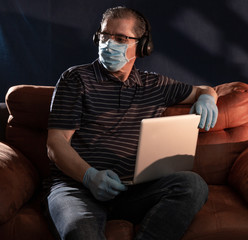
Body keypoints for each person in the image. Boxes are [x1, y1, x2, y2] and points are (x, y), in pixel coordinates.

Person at [46, 6, 218, 240]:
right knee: (80, 231)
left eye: (120, 38)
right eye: (105, 35)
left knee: (193, 185)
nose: (109, 43)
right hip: (78, 188)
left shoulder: (155, 85)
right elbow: (56, 142)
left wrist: (209, 98)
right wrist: (89, 176)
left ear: (142, 46)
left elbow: (204, 90)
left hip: (133, 190)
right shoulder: (76, 79)